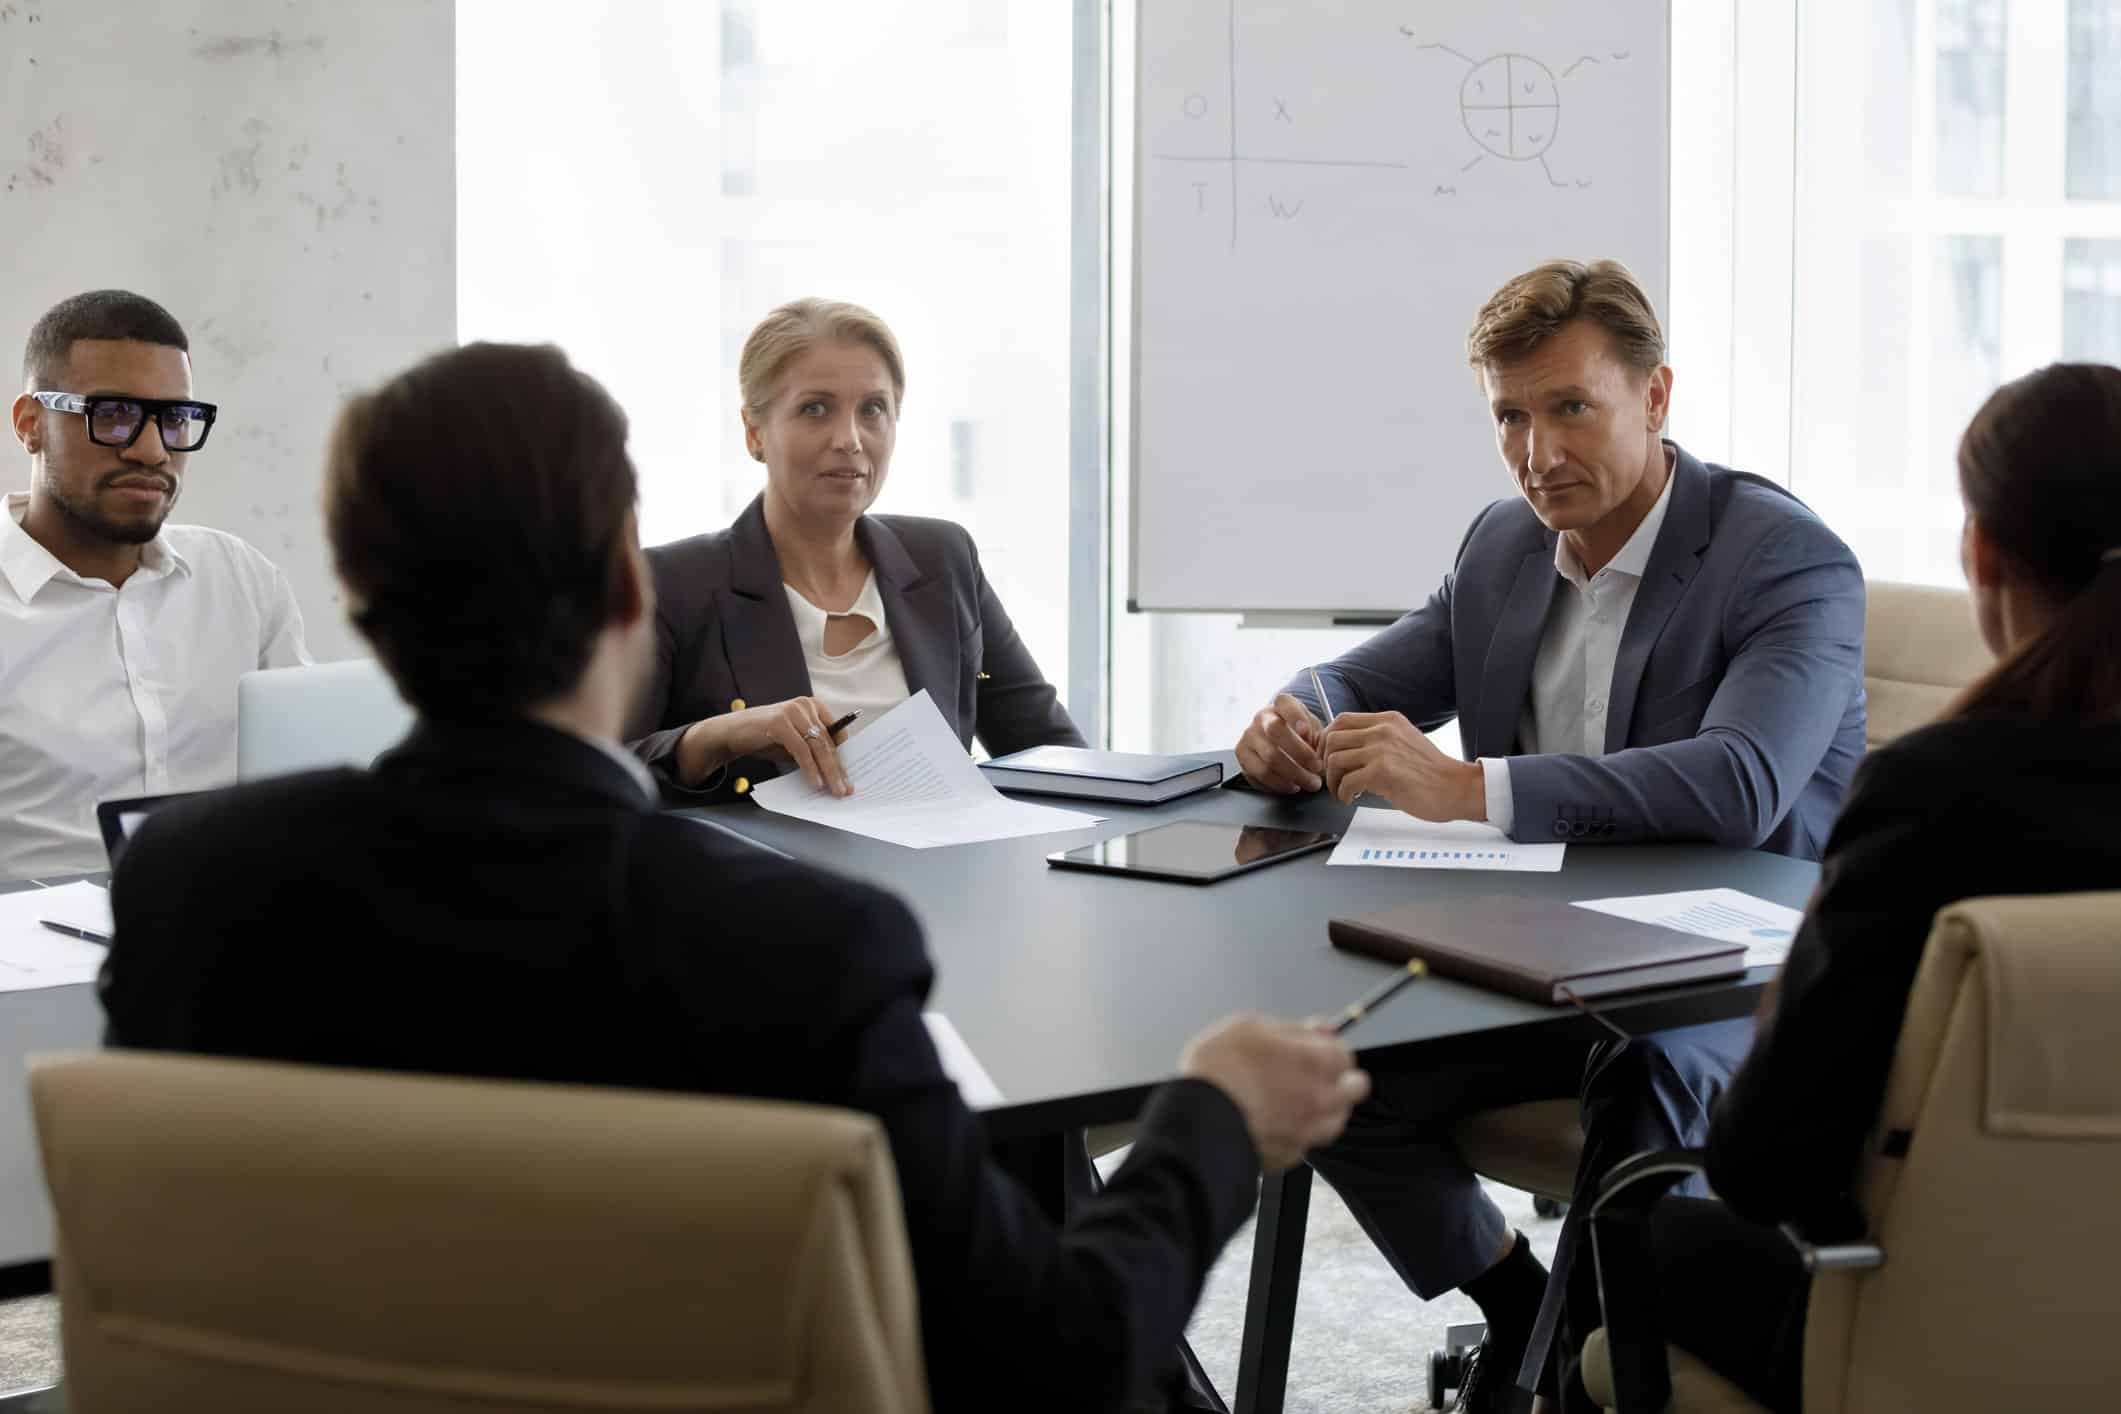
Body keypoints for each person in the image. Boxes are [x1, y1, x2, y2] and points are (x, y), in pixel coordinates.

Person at [100, 341, 1370, 1414]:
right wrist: (1209, 1119)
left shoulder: (188, 891)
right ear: (622, 592)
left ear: (361, 604)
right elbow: (1051, 1354)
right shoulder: (805, 953)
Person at [1231, 259, 1867, 1411]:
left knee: (1643, 1074)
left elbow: (1741, 785)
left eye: (1571, 407)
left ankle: (1577, 1376)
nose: (1537, 453)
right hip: (1533, 956)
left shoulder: (1782, 557)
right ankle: (1532, 1316)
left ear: (1656, 397)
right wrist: (1295, 716)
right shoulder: (1501, 545)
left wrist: (1473, 786)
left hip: (1726, 978)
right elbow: (1356, 676)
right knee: (1321, 1060)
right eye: (1509, 418)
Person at [1562, 362, 2121, 1412]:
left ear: (1983, 550)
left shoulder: (1936, 794)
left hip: (1927, 1328)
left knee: (1637, 1225)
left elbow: (1767, 1166)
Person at [627, 297, 1082, 802]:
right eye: (815, 409)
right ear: (754, 433)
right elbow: (600, 774)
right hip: (773, 877)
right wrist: (716, 737)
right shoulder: (674, 584)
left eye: (873, 409)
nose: (850, 439)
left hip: (946, 874)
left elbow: (1051, 751)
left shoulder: (944, 557)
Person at [0, 289, 307, 881]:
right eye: (112, 415)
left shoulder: (239, 580)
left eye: (174, 419)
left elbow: (302, 779)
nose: (151, 450)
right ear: (31, 425)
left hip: (233, 937)